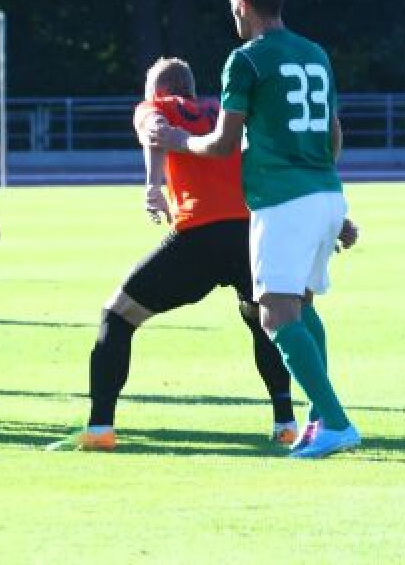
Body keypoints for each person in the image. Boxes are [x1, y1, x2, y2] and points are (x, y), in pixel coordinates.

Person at [150, 0, 361, 459]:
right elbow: (333, 133)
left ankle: (336, 422)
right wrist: (325, 199)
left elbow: (223, 143)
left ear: (242, 5)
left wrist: (179, 140)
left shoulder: (246, 59)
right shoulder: (315, 53)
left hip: (283, 199)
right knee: (303, 305)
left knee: (275, 314)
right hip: (325, 190)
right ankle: (319, 419)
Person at [50, 57, 314, 452]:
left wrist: (152, 184)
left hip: (199, 235)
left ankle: (100, 427)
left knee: (117, 316)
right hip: (249, 233)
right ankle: (285, 424)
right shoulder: (226, 110)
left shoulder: (156, 106)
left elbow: (155, 131)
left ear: (157, 90)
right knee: (263, 321)